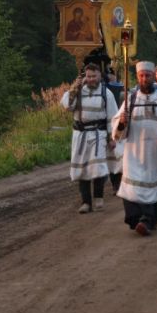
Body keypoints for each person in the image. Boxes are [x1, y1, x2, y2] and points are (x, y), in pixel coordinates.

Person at [112, 61, 157, 236]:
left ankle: (148, 220)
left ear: (152, 76)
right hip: (134, 152)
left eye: (147, 75)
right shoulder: (130, 99)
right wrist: (122, 122)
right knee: (132, 187)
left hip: (155, 152)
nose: (144, 78)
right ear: (137, 77)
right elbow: (117, 128)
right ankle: (138, 220)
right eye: (141, 76)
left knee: (153, 185)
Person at [61, 63, 119, 214]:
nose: (91, 79)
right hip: (80, 135)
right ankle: (86, 202)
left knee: (98, 168)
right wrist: (74, 88)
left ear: (100, 76)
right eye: (89, 76)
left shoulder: (107, 93)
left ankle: (98, 197)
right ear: (85, 77)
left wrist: (112, 138)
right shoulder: (78, 91)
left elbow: (112, 118)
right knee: (82, 169)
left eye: (94, 76)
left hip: (98, 134)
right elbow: (67, 106)